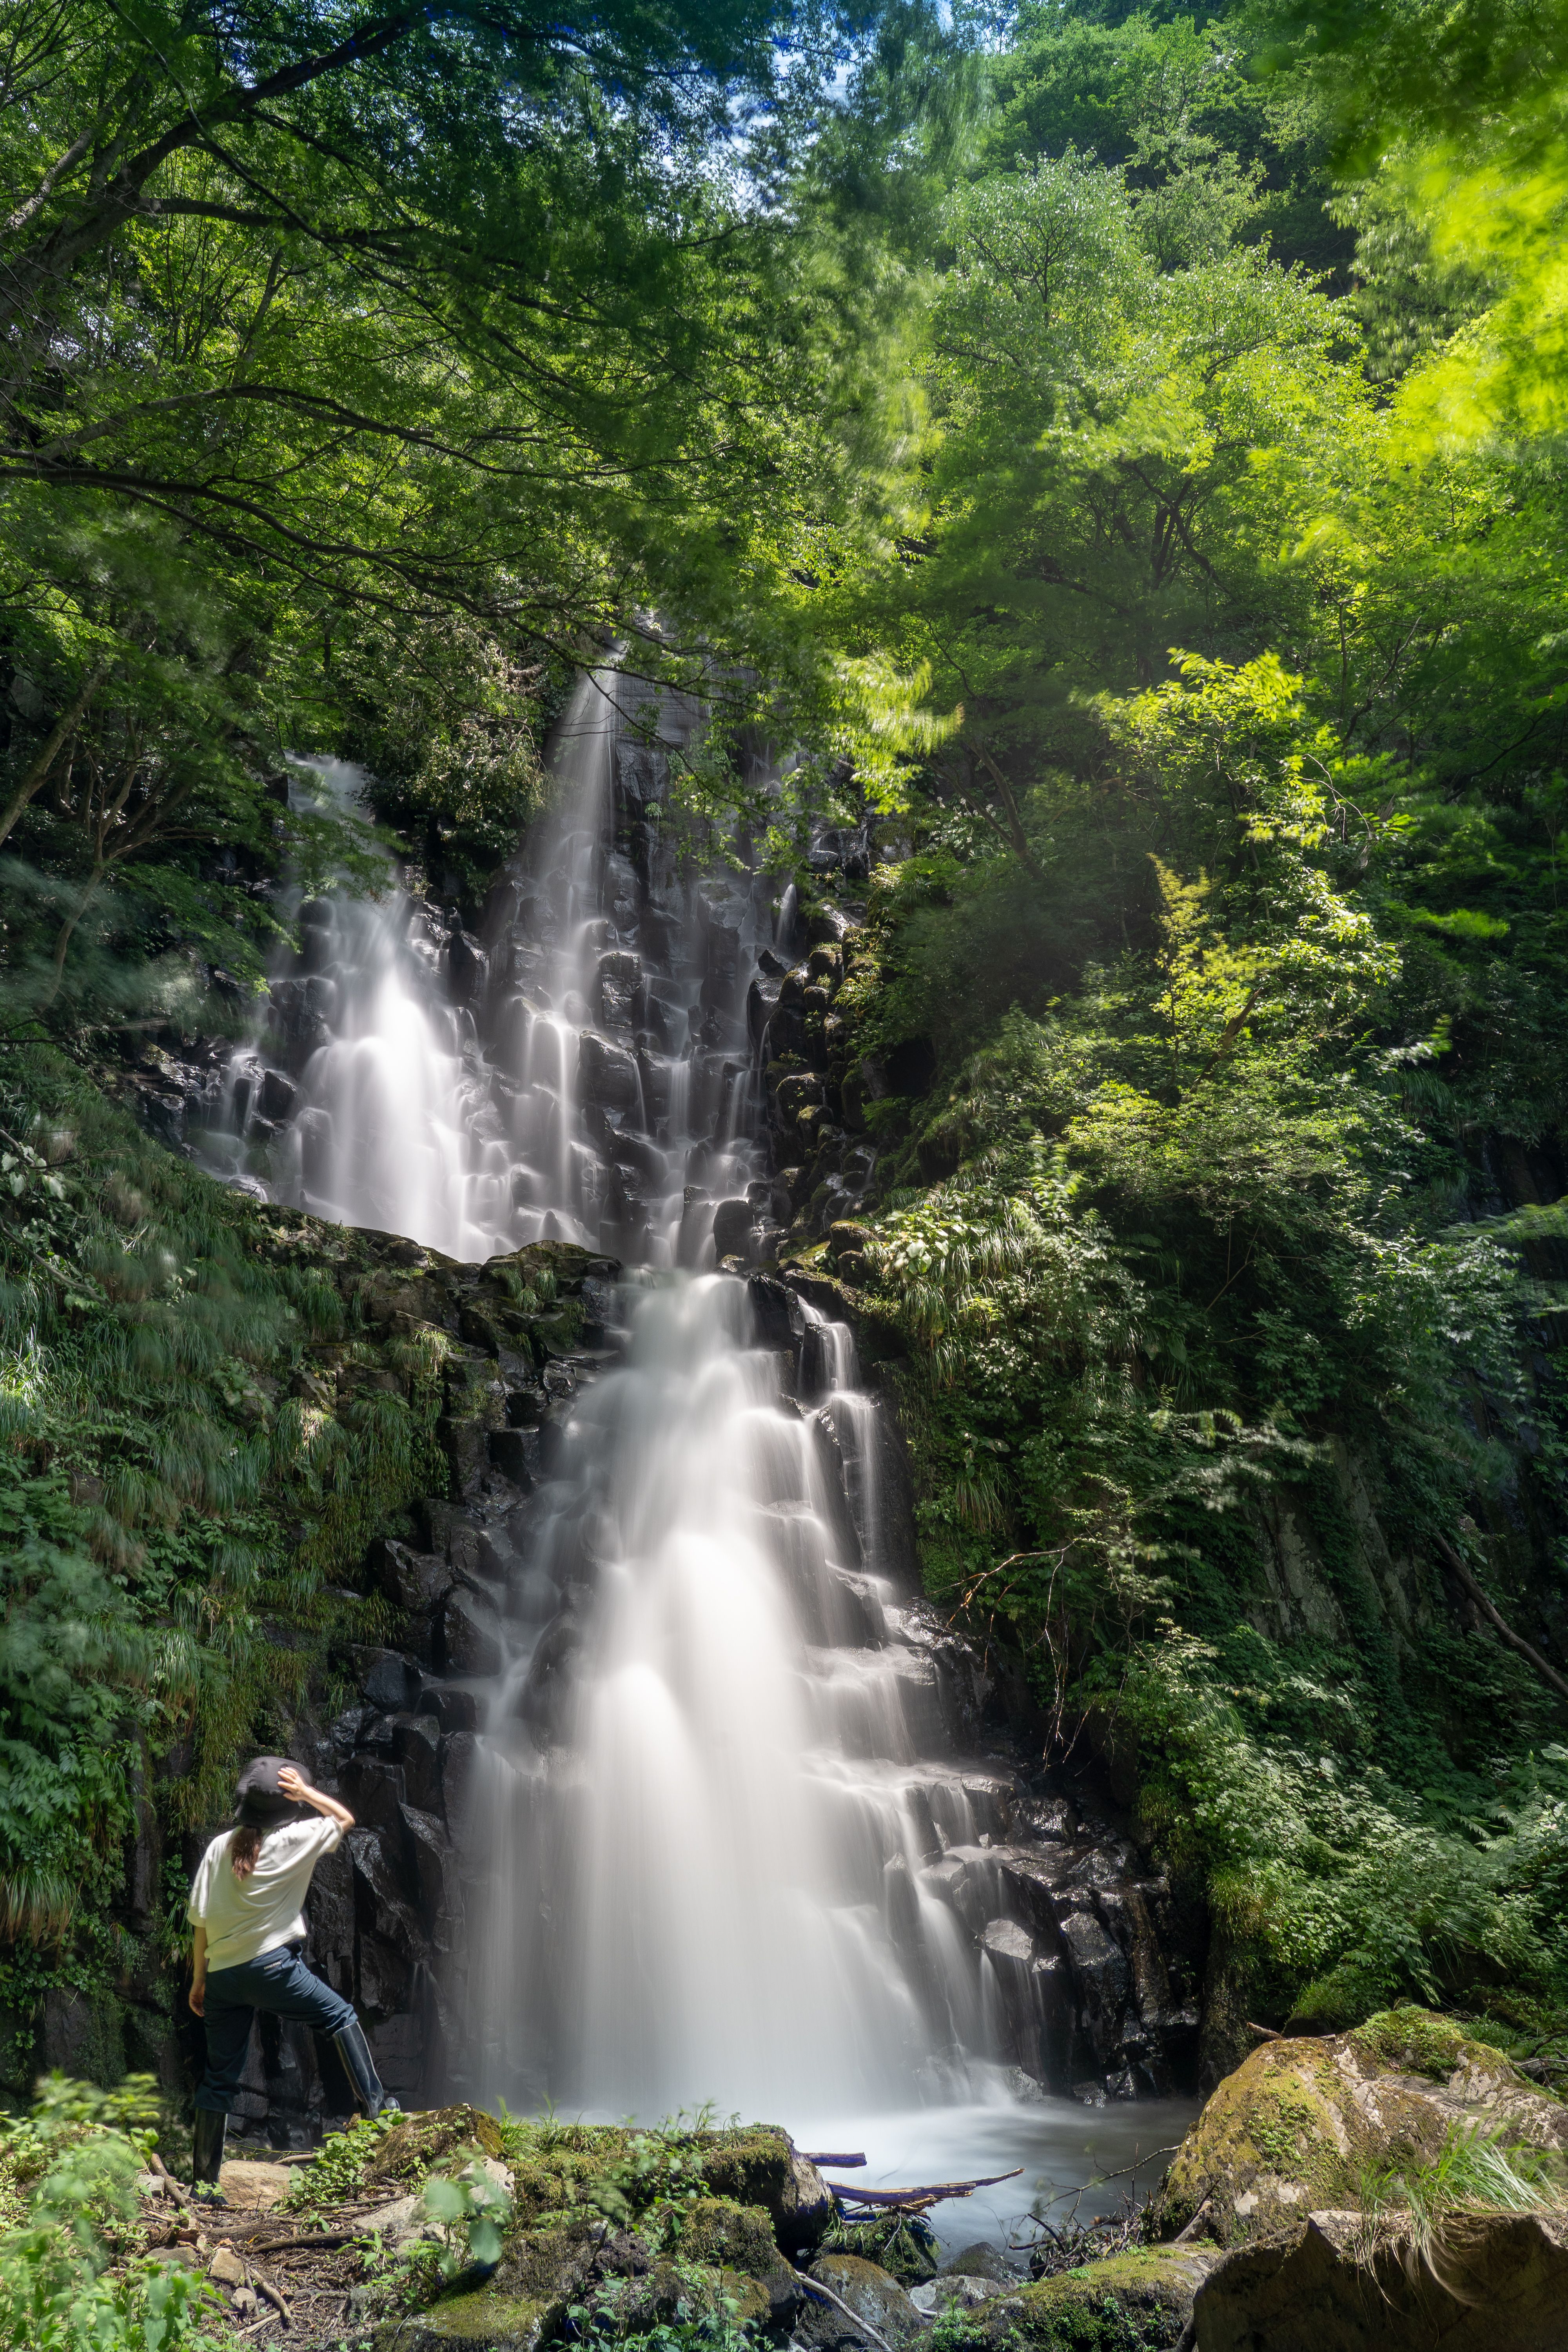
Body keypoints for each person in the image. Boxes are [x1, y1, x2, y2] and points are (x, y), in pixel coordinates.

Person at [187, 1755, 399, 2202]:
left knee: (219, 2077)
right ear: (287, 1809)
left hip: (223, 1974)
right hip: (271, 1968)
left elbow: (201, 1923)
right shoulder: (294, 1839)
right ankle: (379, 2109)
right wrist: (308, 1795)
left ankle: (204, 2185)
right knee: (340, 2015)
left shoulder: (218, 1847)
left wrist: (199, 1981)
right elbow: (344, 1819)